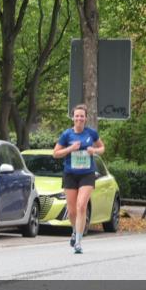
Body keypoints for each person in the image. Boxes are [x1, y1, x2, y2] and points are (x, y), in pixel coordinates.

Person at [53, 104, 105, 254]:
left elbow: (102, 148)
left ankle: (78, 242)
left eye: (82, 116)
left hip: (87, 174)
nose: (79, 118)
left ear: (86, 118)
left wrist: (93, 150)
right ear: (73, 117)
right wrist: (70, 149)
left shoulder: (92, 133)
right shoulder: (67, 135)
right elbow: (55, 153)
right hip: (70, 174)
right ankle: (75, 231)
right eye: (77, 116)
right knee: (71, 211)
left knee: (81, 205)